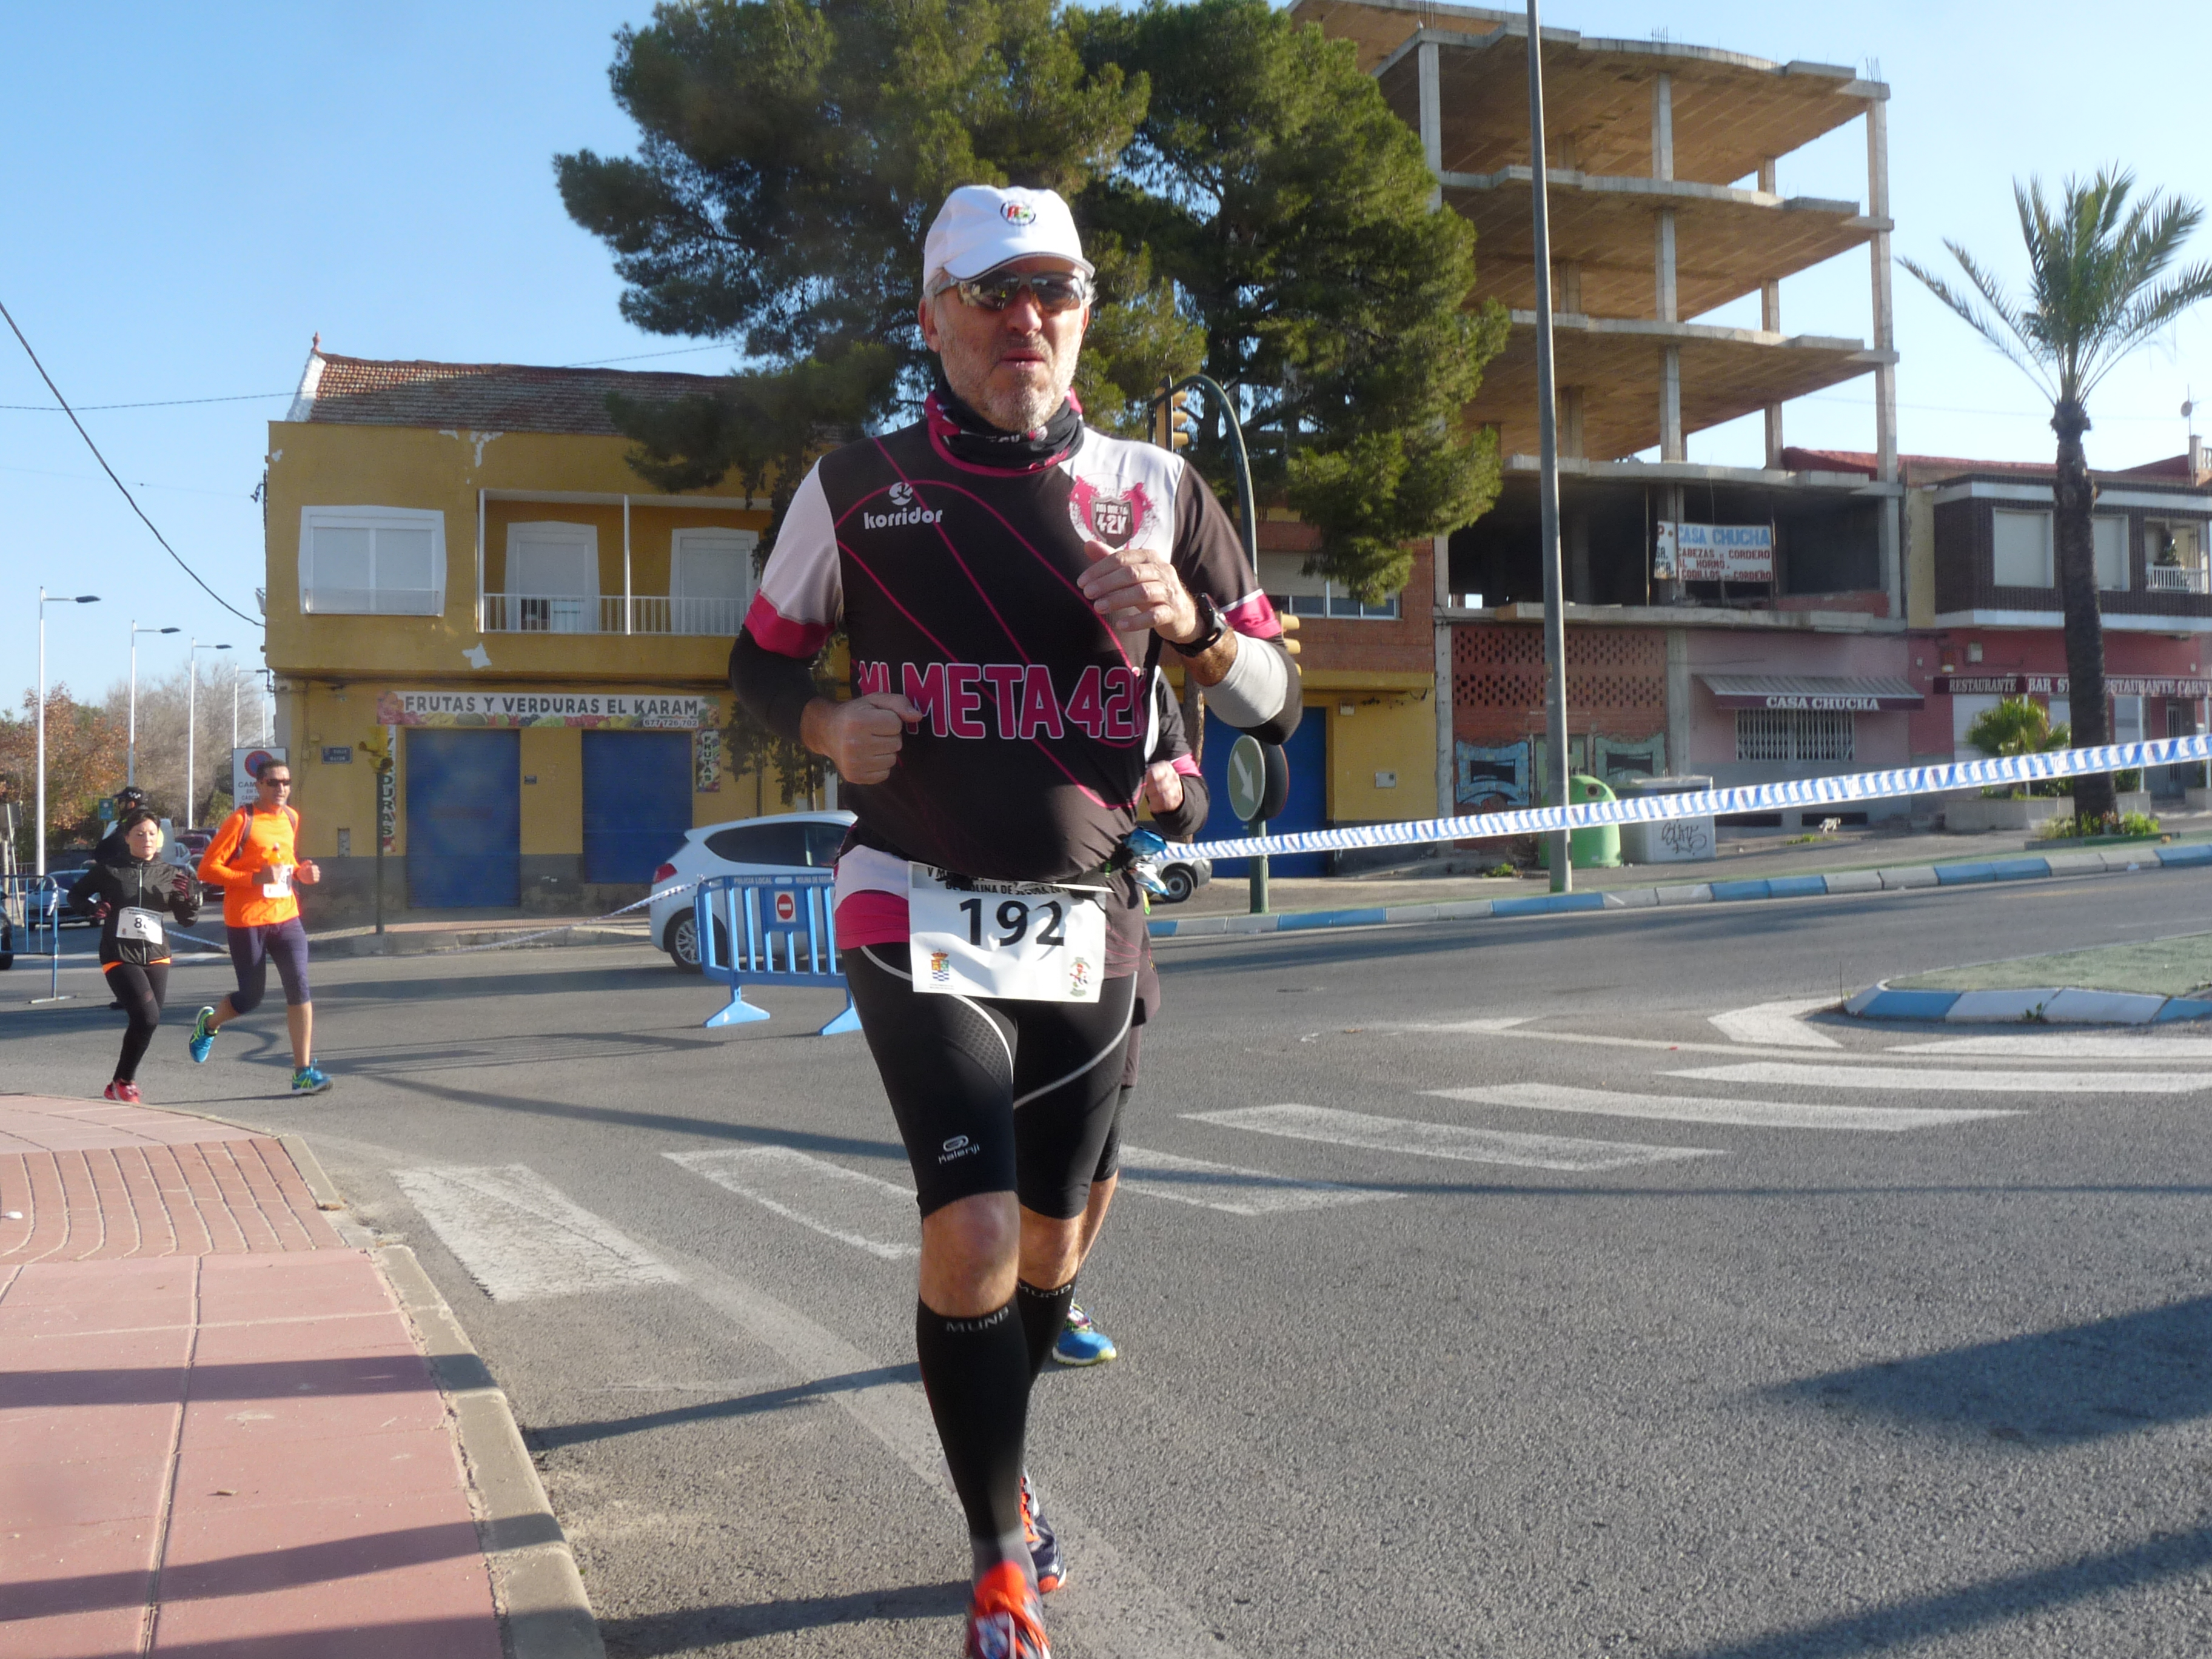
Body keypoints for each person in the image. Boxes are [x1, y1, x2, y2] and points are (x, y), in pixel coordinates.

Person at [731, 183, 1299, 1658]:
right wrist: (823, 724)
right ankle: (998, 1558)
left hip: (1088, 920)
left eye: (1054, 292)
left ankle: (1006, 1444)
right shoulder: (856, 488)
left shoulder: (1159, 489)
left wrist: (1189, 629)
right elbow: (756, 662)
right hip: (907, 893)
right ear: (934, 318)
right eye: (991, 293)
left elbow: (1276, 700)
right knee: (974, 1224)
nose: (1025, 320)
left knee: (1050, 1246)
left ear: (1085, 317)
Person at [1053, 674, 1210, 1369]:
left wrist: (1175, 796)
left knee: (1100, 1143)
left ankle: (1055, 1296)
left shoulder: (1143, 682)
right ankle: (983, 1298)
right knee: (1001, 1135)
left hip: (1111, 938)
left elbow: (1190, 803)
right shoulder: (985, 639)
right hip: (985, 936)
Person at [187, 761, 331, 1094]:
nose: (281, 788)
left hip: (286, 917)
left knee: (299, 987)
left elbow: (286, 863)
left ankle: (303, 1072)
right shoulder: (241, 821)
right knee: (251, 997)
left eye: (286, 782)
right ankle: (209, 1025)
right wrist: (255, 878)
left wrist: (302, 873)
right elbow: (207, 870)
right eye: (273, 782)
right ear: (259, 785)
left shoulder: (291, 818)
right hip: (247, 920)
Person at [68, 808, 201, 1103]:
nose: (147, 839)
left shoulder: (170, 874)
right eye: (140, 834)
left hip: (157, 953)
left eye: (152, 834)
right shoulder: (110, 870)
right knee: (147, 1016)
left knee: (147, 1022)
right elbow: (75, 895)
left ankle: (119, 1082)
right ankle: (125, 1083)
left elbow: (187, 920)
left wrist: (190, 898)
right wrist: (92, 909)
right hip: (119, 952)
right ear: (127, 837)